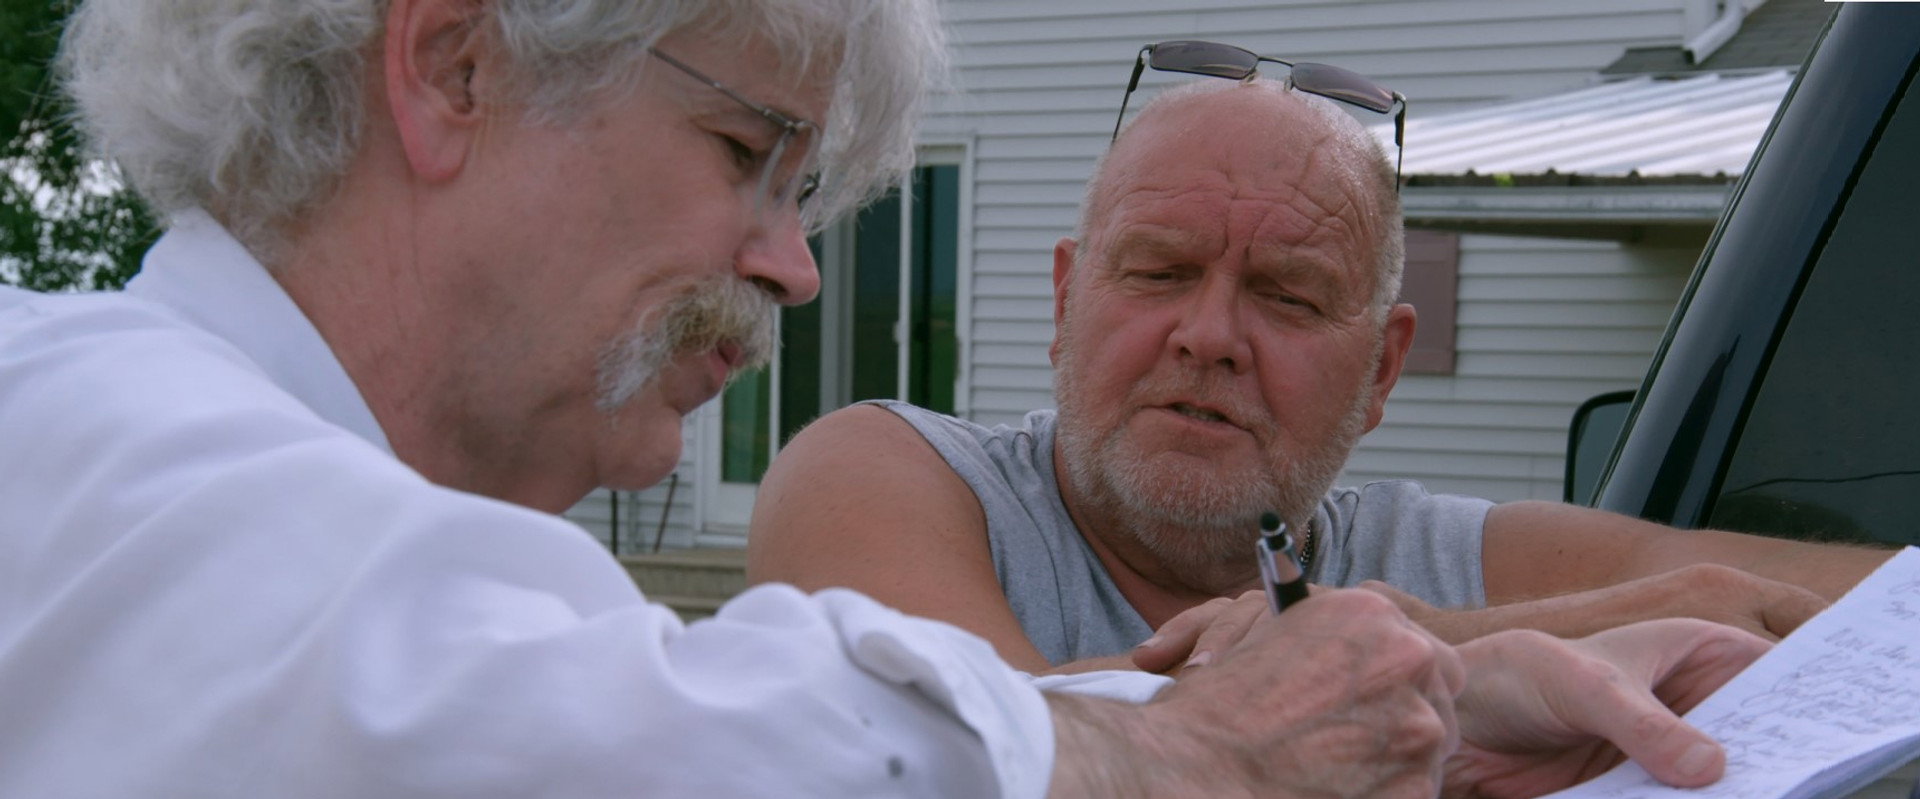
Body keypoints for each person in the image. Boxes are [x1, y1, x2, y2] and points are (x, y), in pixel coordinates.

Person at [0, 3, 1776, 795]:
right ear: (451, 63)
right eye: (748, 154)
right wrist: (1210, 750)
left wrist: (1422, 711)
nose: (796, 268)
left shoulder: (321, 551)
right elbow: (649, 739)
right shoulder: (74, 423)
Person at [747, 75, 1893, 677]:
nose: (1209, 334)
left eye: (1289, 295)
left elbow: (1884, 611)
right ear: (1064, 301)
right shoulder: (880, 474)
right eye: (1157, 272)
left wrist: (1672, 605)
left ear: (1383, 365)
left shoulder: (1447, 555)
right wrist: (1456, 645)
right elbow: (1005, 745)